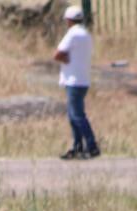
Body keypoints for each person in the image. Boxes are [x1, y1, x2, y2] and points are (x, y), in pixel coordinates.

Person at [55, 5, 99, 160]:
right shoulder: (86, 34)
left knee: (77, 115)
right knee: (74, 115)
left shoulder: (72, 34)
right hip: (83, 79)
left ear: (68, 20)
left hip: (72, 80)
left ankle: (91, 145)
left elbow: (58, 54)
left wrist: (65, 59)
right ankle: (77, 146)